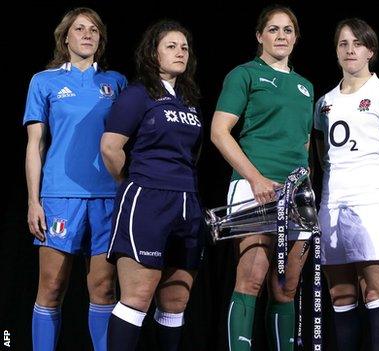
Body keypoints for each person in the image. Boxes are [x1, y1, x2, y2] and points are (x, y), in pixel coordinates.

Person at [210, 5, 314, 351]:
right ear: (259, 36)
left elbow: (304, 143)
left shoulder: (305, 86)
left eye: (287, 30)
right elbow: (219, 132)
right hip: (255, 186)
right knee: (252, 278)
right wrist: (255, 179)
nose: (281, 36)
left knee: (287, 287)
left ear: (296, 38)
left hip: (297, 195)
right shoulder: (244, 75)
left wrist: (304, 190)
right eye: (273, 29)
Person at [23, 7, 126, 351]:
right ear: (65, 36)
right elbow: (35, 145)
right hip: (58, 198)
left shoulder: (116, 83)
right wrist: (33, 201)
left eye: (94, 29)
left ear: (100, 39)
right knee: (51, 287)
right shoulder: (44, 81)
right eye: (79, 28)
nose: (87, 34)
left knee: (103, 288)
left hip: (108, 199)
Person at [100, 20, 203, 351]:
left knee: (175, 301)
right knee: (138, 296)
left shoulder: (188, 98)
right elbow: (110, 147)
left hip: (187, 203)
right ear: (153, 53)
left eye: (184, 47)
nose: (180, 52)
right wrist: (131, 184)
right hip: (147, 200)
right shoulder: (138, 93)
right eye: (171, 46)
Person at [314, 18, 379, 351]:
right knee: (340, 294)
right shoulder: (324, 102)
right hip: (331, 204)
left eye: (357, 43)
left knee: (375, 292)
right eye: (343, 44)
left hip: (373, 204)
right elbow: (319, 155)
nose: (350, 49)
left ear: (370, 50)